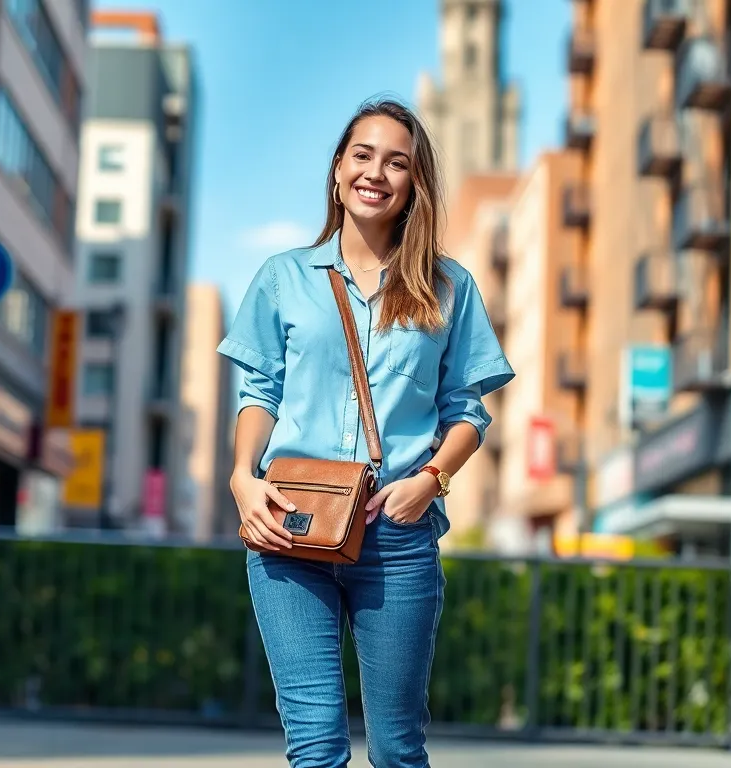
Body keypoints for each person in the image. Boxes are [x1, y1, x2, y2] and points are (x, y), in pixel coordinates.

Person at [218, 98, 514, 767]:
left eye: (397, 162)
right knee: (316, 747)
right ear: (336, 172)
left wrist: (429, 482)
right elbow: (259, 390)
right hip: (289, 524)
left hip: (398, 535)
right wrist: (242, 477)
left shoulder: (448, 286)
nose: (376, 172)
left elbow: (467, 413)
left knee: (397, 750)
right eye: (363, 155)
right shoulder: (283, 279)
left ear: (415, 184)